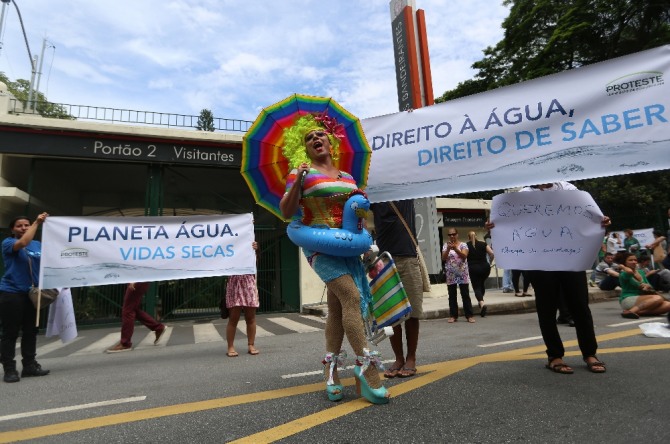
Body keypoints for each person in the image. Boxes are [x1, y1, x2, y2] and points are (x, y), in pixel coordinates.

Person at [279, 113, 389, 404]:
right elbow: (286, 212)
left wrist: (362, 212)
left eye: (320, 134)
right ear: (303, 147)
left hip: (349, 247)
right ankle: (368, 370)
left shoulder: (348, 177)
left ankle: (330, 371)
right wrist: (299, 179)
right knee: (351, 297)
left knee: (338, 309)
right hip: (319, 246)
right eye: (308, 137)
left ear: (331, 142)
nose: (316, 138)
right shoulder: (299, 172)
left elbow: (357, 217)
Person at [486, 182, 610, 374]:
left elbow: (587, 215)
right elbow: (509, 222)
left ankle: (590, 353)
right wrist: (494, 226)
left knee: (580, 306)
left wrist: (600, 222)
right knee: (547, 308)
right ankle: (555, 356)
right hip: (540, 261)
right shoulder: (524, 194)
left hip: (570, 257)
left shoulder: (568, 189)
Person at [370, 200, 423, 379]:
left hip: (408, 258)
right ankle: (399, 358)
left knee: (413, 311)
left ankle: (411, 358)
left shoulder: (406, 194)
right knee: (392, 314)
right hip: (384, 260)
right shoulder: (375, 198)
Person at [0, 213, 51, 383]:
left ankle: (29, 365)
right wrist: (37, 222)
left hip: (33, 294)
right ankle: (9, 368)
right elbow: (23, 243)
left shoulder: (38, 245)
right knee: (10, 332)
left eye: (26, 225)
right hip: (12, 293)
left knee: (31, 331)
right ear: (12, 230)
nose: (23, 228)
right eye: (19, 226)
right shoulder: (8, 243)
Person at [107, 282, 166, 353]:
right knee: (133, 309)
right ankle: (158, 328)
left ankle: (125, 343)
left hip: (136, 280)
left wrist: (133, 281)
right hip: (139, 280)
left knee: (128, 311)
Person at [225, 241, 260, 357]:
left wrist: (256, 250)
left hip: (248, 281)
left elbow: (255, 263)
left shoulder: (250, 242)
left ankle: (251, 344)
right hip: (234, 282)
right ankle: (230, 346)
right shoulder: (227, 246)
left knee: (251, 317)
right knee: (233, 318)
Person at [616, 252, 670, 318]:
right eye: (630, 260)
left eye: (635, 260)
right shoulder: (624, 273)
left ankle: (639, 312)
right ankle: (631, 311)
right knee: (657, 298)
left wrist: (648, 286)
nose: (634, 262)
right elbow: (630, 272)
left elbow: (650, 286)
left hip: (645, 299)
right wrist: (623, 266)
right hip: (628, 298)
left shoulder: (641, 272)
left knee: (668, 305)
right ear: (625, 262)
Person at [442, 228, 475, 323]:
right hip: (450, 274)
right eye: (450, 235)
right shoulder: (445, 246)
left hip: (462, 274)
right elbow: (443, 258)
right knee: (452, 295)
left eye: (453, 234)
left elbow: (464, 256)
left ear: (457, 234)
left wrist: (456, 249)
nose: (452, 236)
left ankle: (469, 315)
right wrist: (448, 249)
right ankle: (453, 315)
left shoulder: (463, 245)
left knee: (465, 295)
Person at [466, 231, 494, 316]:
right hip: (485, 267)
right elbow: (492, 253)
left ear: (468, 237)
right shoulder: (483, 244)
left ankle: (482, 304)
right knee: (481, 283)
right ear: (477, 236)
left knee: (477, 287)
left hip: (473, 268)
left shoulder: (466, 245)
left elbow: (463, 256)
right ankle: (480, 300)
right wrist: (490, 262)